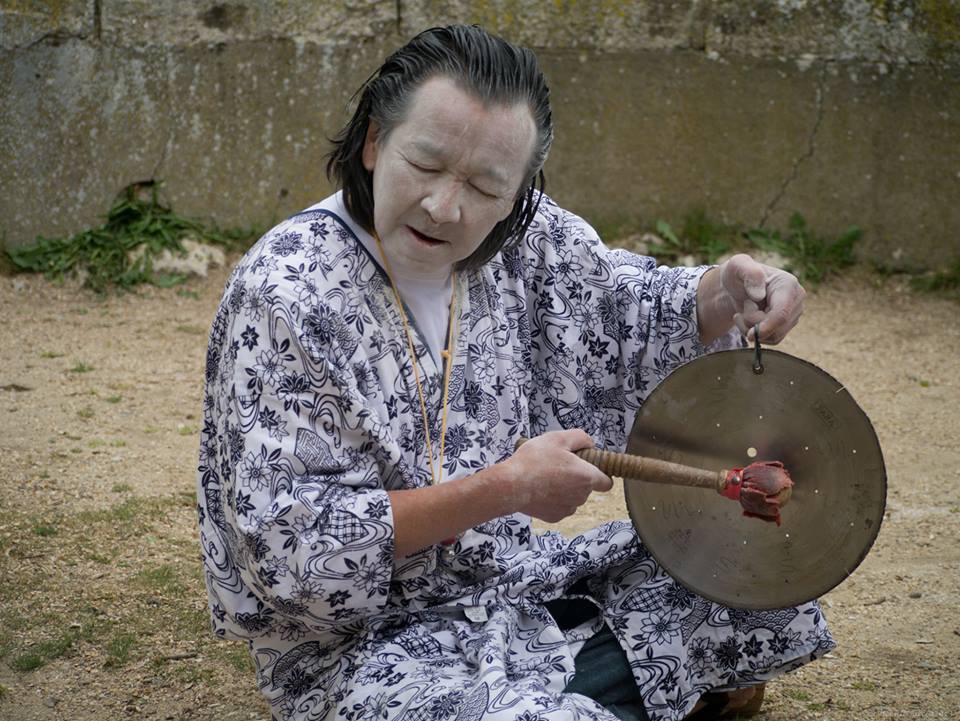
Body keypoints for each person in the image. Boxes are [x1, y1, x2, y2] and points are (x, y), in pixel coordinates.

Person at [196, 24, 832, 721]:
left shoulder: (519, 240)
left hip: (508, 586)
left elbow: (613, 308)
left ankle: (599, 683)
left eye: (484, 185)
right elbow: (296, 547)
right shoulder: (287, 293)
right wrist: (504, 488)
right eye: (427, 164)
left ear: (517, 192)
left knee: (758, 576)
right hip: (357, 647)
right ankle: (623, 686)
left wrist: (724, 293)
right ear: (375, 141)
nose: (445, 206)